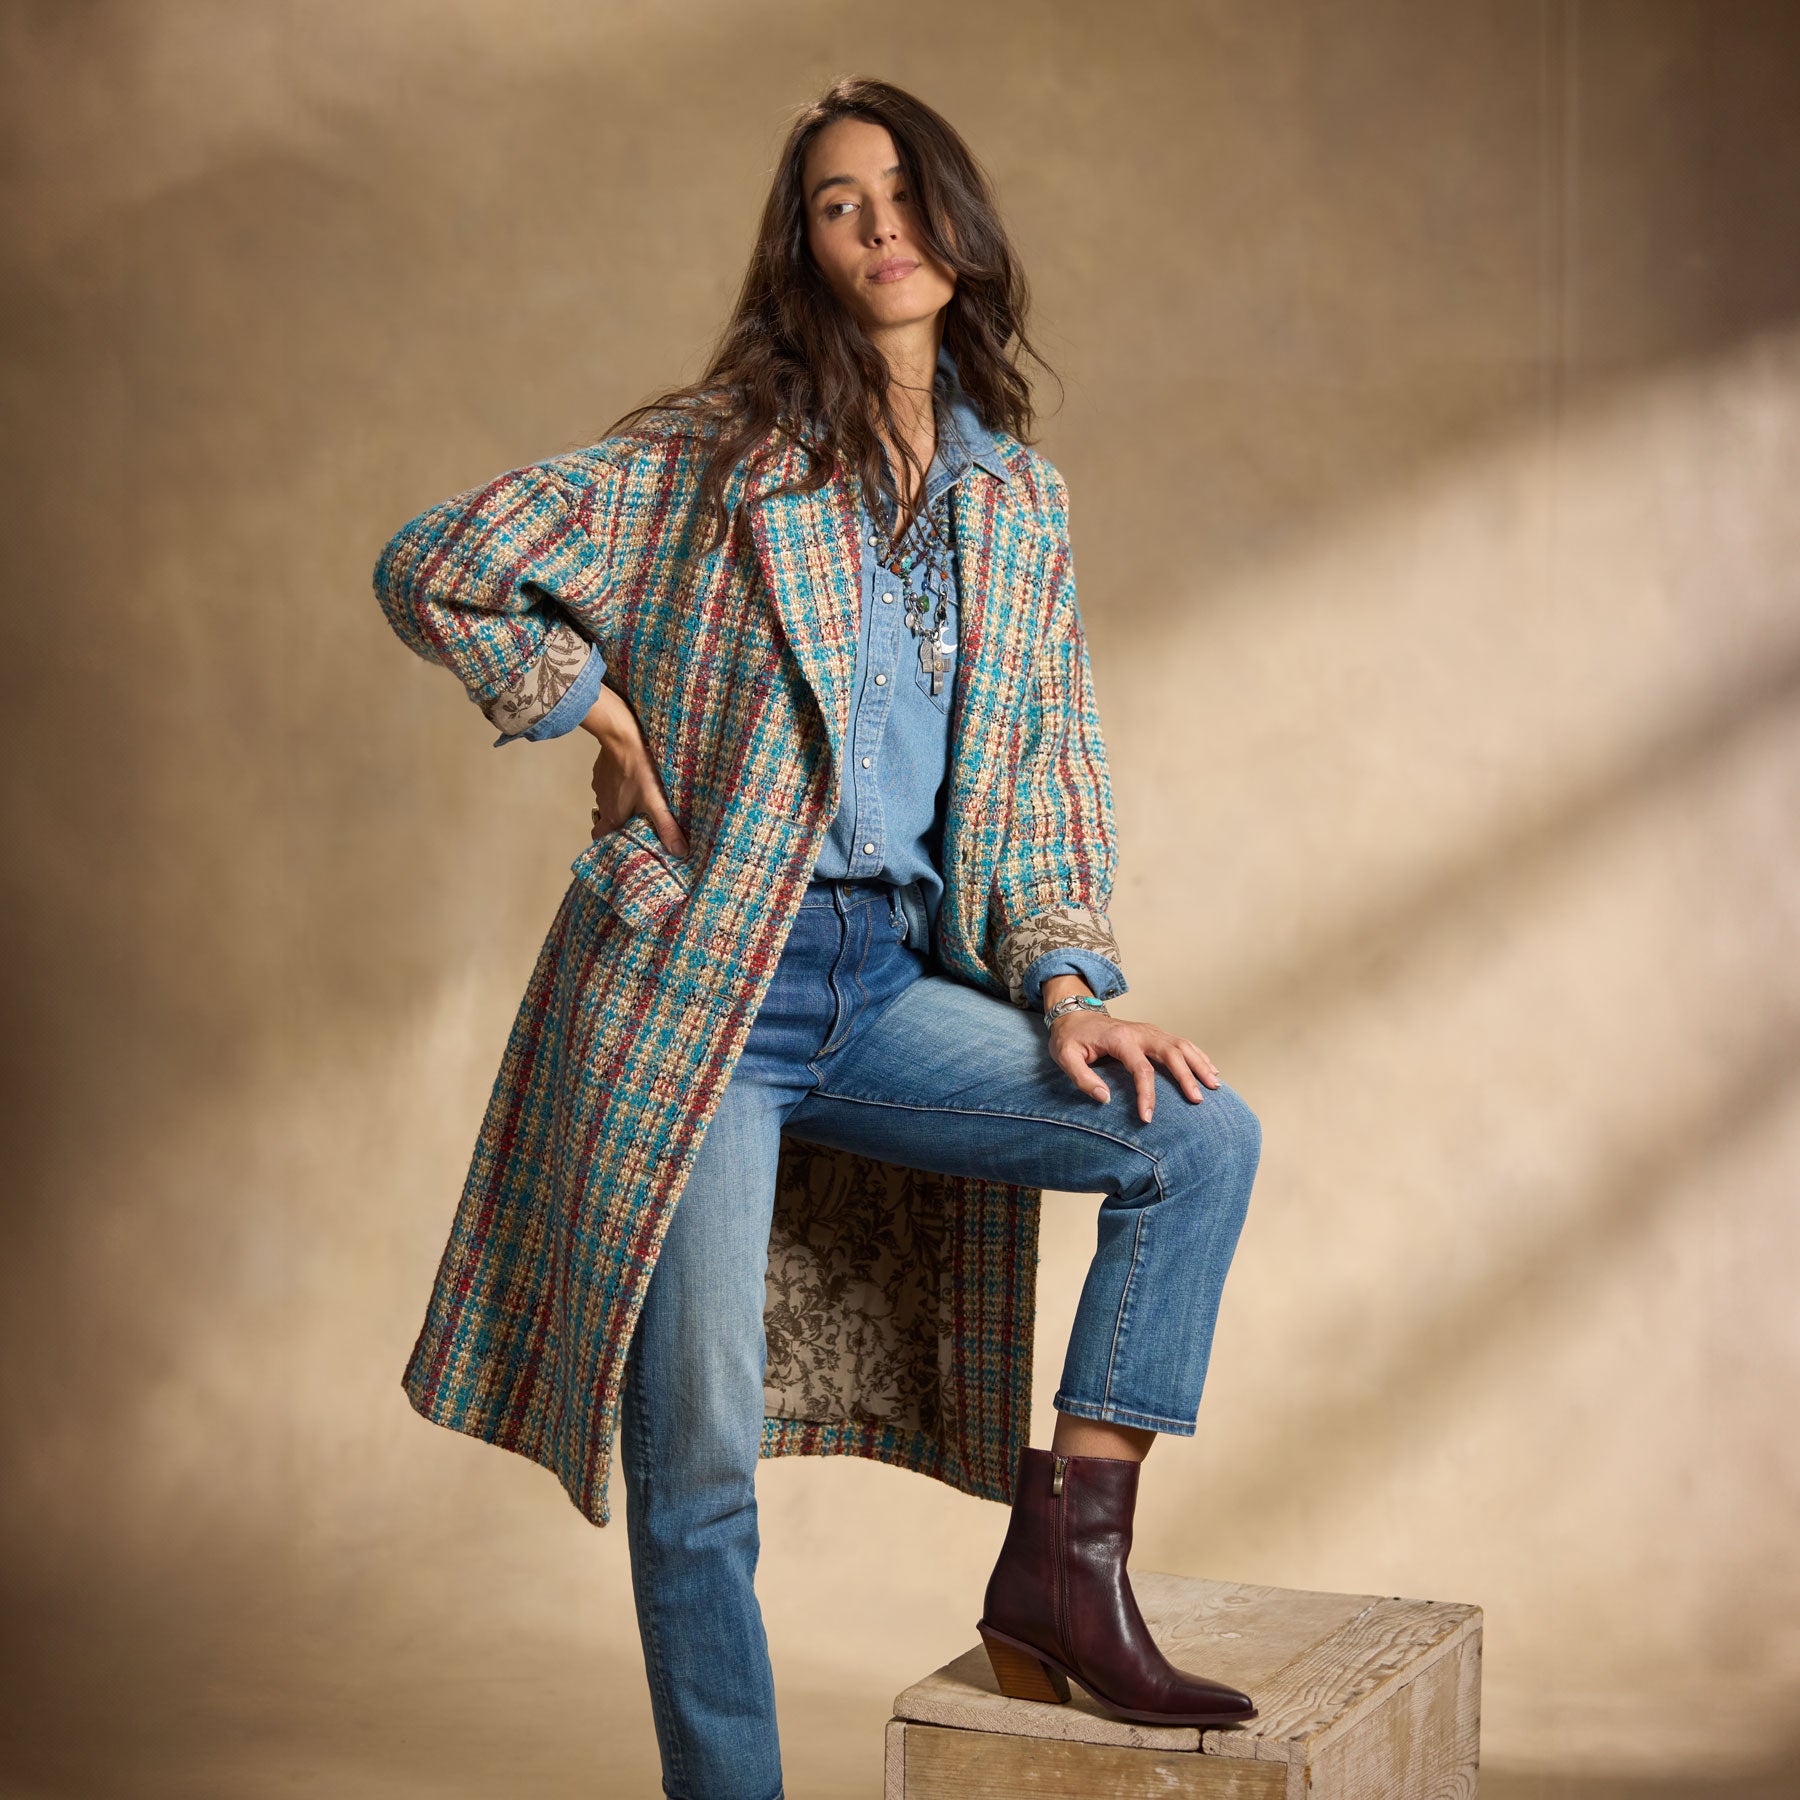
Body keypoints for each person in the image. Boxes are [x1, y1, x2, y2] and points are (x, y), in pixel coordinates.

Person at [373, 74, 1262, 1800]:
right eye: (840, 204)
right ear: (808, 249)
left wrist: (1068, 986)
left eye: (905, 193)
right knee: (697, 1458)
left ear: (960, 227)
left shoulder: (1018, 504)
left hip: (886, 987)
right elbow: (436, 561)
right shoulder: (709, 457)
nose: (880, 227)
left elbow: (1042, 777)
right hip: (705, 992)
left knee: (1196, 1139)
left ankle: (1066, 1572)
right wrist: (587, 704)